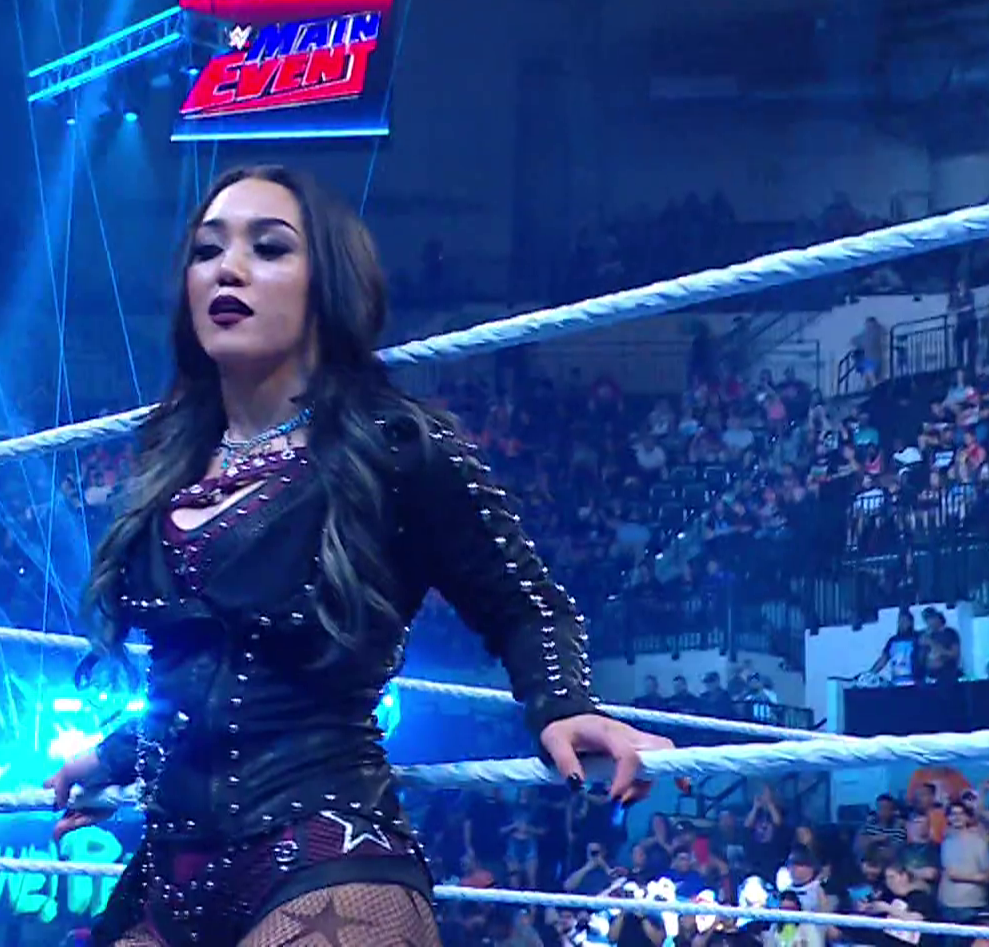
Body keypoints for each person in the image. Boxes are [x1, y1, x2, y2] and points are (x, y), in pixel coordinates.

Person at [40, 166, 671, 946]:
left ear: (328, 285)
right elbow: (195, 677)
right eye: (207, 251)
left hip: (324, 851)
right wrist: (115, 757)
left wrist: (565, 703)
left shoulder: (394, 447)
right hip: (167, 871)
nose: (228, 268)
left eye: (269, 248)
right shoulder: (171, 459)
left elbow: (522, 602)